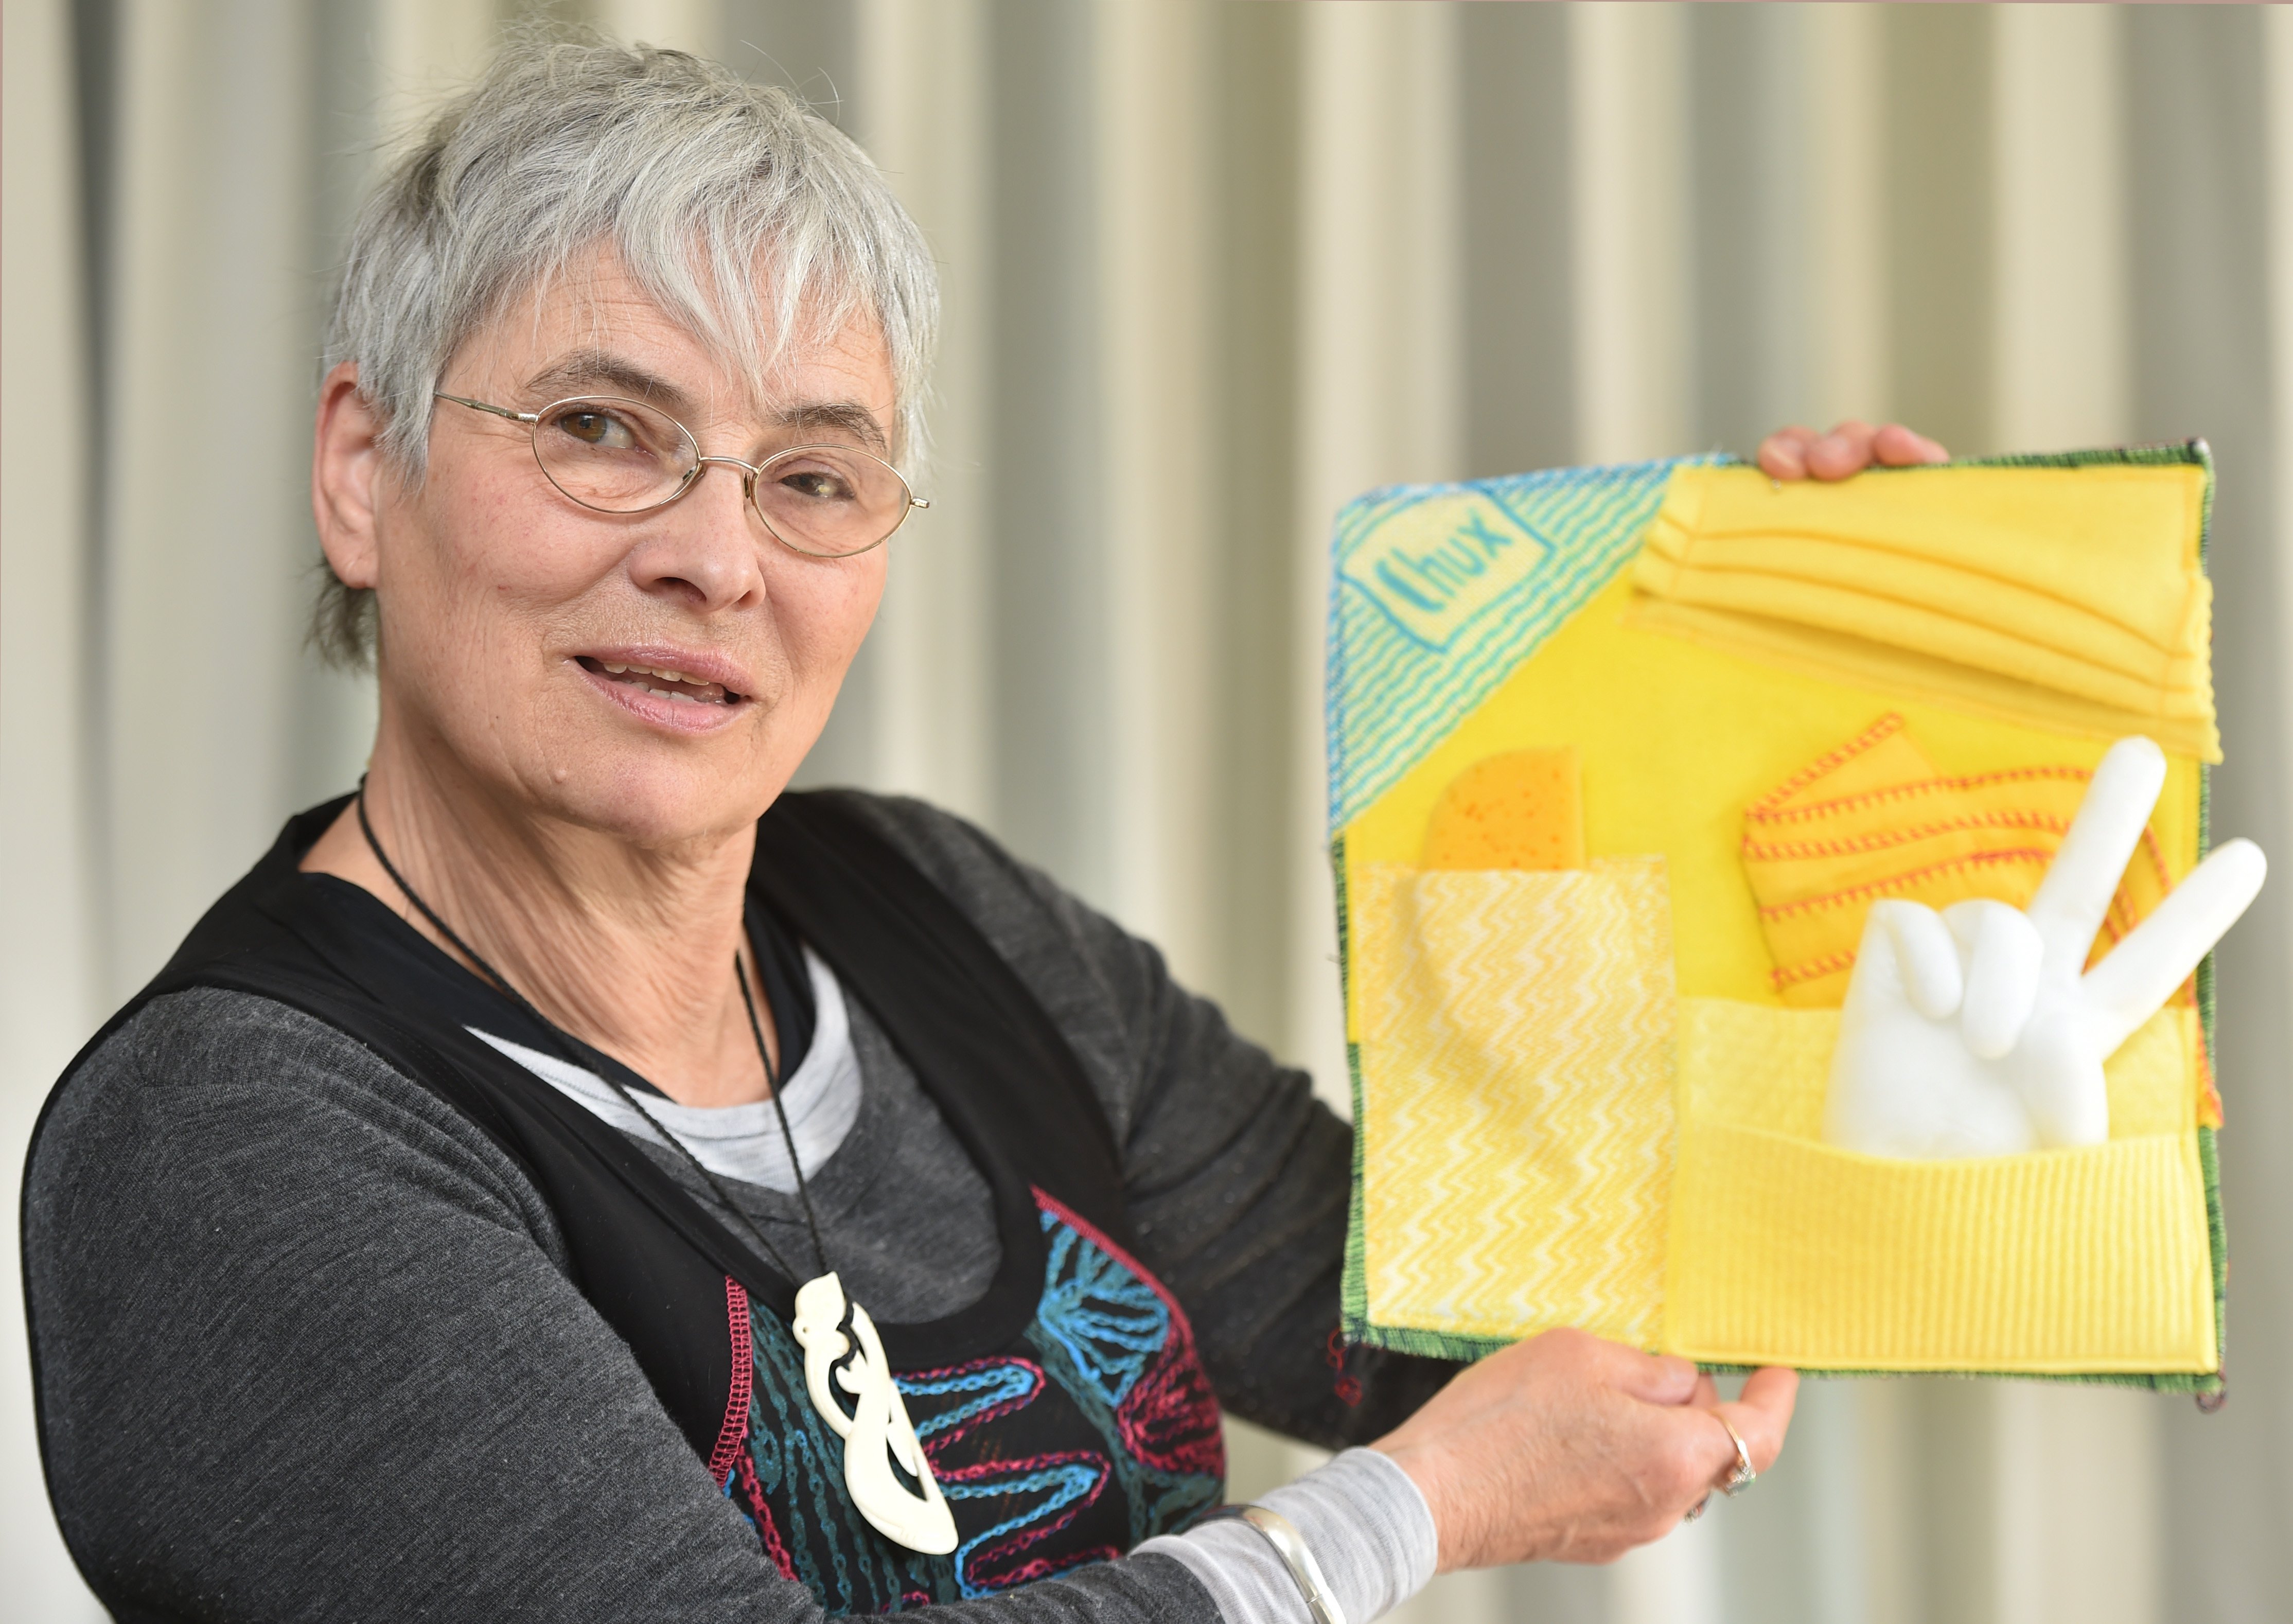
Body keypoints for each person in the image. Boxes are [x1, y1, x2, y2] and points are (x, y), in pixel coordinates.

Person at [21, 36, 1942, 1624]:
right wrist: (1403, 1516)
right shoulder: (232, 1144)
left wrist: (1767, 713)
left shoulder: (934, 915)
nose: (713, 556)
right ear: (367, 471)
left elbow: (1487, 1324)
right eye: (604, 429)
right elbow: (1446, 1450)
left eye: (813, 475)